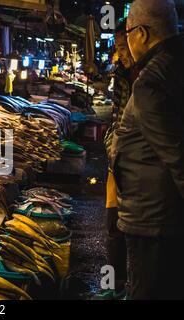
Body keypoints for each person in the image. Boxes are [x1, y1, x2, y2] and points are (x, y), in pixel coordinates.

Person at [111, 0, 184, 299]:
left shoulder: (151, 81)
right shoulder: (175, 63)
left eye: (128, 33)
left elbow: (178, 157)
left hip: (155, 222)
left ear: (141, 33)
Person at [95, 19, 137, 300]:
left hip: (137, 167)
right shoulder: (123, 73)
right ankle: (113, 285)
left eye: (122, 47)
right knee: (112, 226)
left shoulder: (153, 76)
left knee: (135, 231)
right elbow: (117, 117)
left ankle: (131, 288)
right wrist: (112, 147)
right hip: (117, 161)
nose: (118, 54)